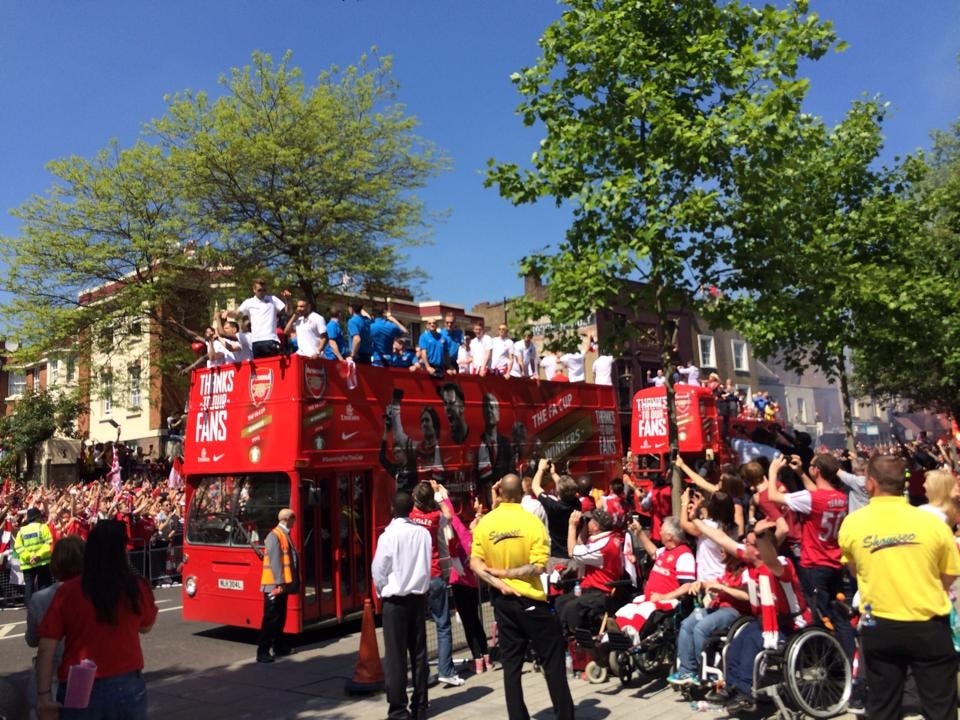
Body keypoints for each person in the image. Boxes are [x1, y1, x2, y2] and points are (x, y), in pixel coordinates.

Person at [838, 454, 960, 720]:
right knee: (941, 708)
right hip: (928, 624)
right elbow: (949, 576)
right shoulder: (933, 524)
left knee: (883, 707)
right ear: (903, 483)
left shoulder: (853, 524)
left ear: (870, 484)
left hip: (880, 625)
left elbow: (856, 571)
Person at [470, 474, 574, 720]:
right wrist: (505, 575)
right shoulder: (531, 522)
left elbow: (475, 563)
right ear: (520, 494)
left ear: (502, 494)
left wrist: (498, 582)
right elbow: (538, 567)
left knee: (511, 666)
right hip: (532, 601)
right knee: (553, 661)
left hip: (503, 603)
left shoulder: (485, 523)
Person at [36, 519, 158, 720]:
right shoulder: (135, 586)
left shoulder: (67, 591)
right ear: (122, 552)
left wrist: (44, 695)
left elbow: (46, 646)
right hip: (126, 679)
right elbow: (146, 626)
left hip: (79, 683)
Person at [764, 453, 852, 656]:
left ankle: (825, 659)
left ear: (817, 471)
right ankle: (848, 660)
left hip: (814, 564)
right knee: (840, 616)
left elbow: (773, 497)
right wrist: (801, 473)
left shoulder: (812, 498)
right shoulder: (840, 497)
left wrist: (772, 471)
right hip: (834, 563)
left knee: (819, 616)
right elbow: (818, 493)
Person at [372, 492, 431, 720]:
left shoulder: (388, 537)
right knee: (419, 653)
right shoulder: (423, 534)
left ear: (391, 509)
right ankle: (421, 705)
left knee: (396, 657)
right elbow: (426, 563)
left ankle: (398, 709)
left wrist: (382, 591)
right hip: (417, 598)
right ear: (411, 509)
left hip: (395, 602)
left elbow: (379, 570)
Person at [409, 483, 462, 686]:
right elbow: (449, 514)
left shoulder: (411, 517)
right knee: (442, 624)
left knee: (417, 628)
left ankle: (422, 674)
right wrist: (439, 495)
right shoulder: (435, 518)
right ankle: (446, 670)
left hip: (416, 578)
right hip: (435, 574)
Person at [613, 516, 696, 643]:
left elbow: (687, 586)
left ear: (669, 536)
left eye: (661, 530)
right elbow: (653, 552)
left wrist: (664, 597)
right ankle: (615, 636)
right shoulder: (665, 551)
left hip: (666, 601)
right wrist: (639, 533)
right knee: (626, 610)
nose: (659, 533)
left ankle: (630, 637)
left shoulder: (684, 555)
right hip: (650, 598)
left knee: (644, 610)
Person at [25, 535, 85, 709]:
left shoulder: (40, 599)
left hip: (51, 675)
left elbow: (32, 640)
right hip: (84, 673)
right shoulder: (94, 593)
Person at [554, 508, 623, 635]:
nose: (587, 523)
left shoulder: (604, 545)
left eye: (589, 521)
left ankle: (574, 639)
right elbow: (580, 546)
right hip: (588, 587)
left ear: (596, 526)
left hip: (602, 591)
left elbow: (572, 552)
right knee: (560, 601)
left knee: (572, 608)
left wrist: (572, 526)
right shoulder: (602, 538)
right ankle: (564, 639)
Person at [256, 508, 299, 663]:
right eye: (293, 518)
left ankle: (279, 646)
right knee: (271, 617)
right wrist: (280, 583)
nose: (295, 522)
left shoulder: (283, 534)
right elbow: (275, 562)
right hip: (274, 585)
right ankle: (262, 651)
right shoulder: (275, 535)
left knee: (280, 616)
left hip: (281, 584)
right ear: (287, 519)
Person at [475, 394, 513, 501]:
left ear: (498, 414)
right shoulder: (478, 442)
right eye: (486, 407)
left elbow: (511, 470)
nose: (490, 411)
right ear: (482, 413)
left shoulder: (506, 443)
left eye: (493, 407)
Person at [237, 279, 288, 358]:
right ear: (254, 290)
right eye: (259, 290)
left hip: (271, 339)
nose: (262, 292)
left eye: (264, 290)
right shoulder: (248, 302)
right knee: (260, 369)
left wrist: (288, 300)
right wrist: (228, 313)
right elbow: (237, 313)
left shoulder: (273, 299)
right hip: (256, 341)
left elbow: (288, 312)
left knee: (273, 367)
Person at [15, 507, 53, 607]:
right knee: (44, 584)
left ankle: (30, 608)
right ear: (38, 517)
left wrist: (29, 557)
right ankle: (44, 606)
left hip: (27, 564)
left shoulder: (21, 531)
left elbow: (18, 547)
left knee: (29, 586)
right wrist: (37, 556)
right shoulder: (43, 527)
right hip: (42, 562)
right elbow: (48, 543)